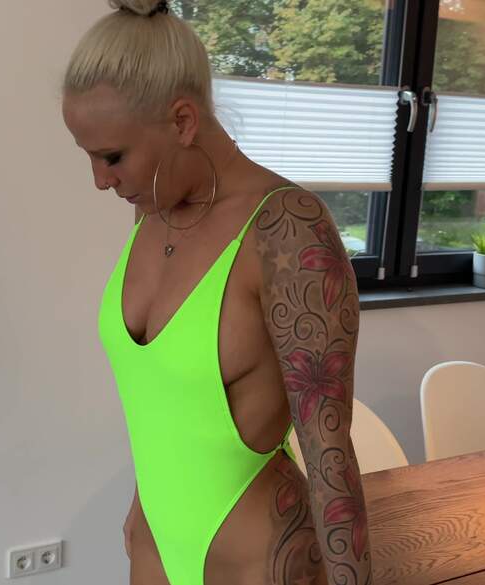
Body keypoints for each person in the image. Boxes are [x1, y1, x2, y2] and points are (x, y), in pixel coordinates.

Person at [61, 1, 373, 584]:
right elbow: (167, 397)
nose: (100, 180)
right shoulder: (153, 208)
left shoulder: (287, 229)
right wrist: (143, 498)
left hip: (257, 559)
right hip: (155, 543)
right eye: (90, 156)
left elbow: (330, 452)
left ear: (182, 121)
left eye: (112, 156)